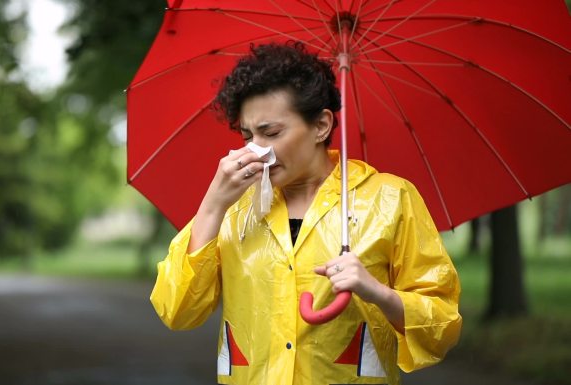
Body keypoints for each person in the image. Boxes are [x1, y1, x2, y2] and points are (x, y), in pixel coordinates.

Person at [150, 42, 462, 385]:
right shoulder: (235, 207)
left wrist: (378, 293)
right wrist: (212, 206)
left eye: (271, 133)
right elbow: (176, 311)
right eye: (247, 136)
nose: (257, 151)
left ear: (321, 126)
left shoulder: (389, 199)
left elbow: (442, 328)